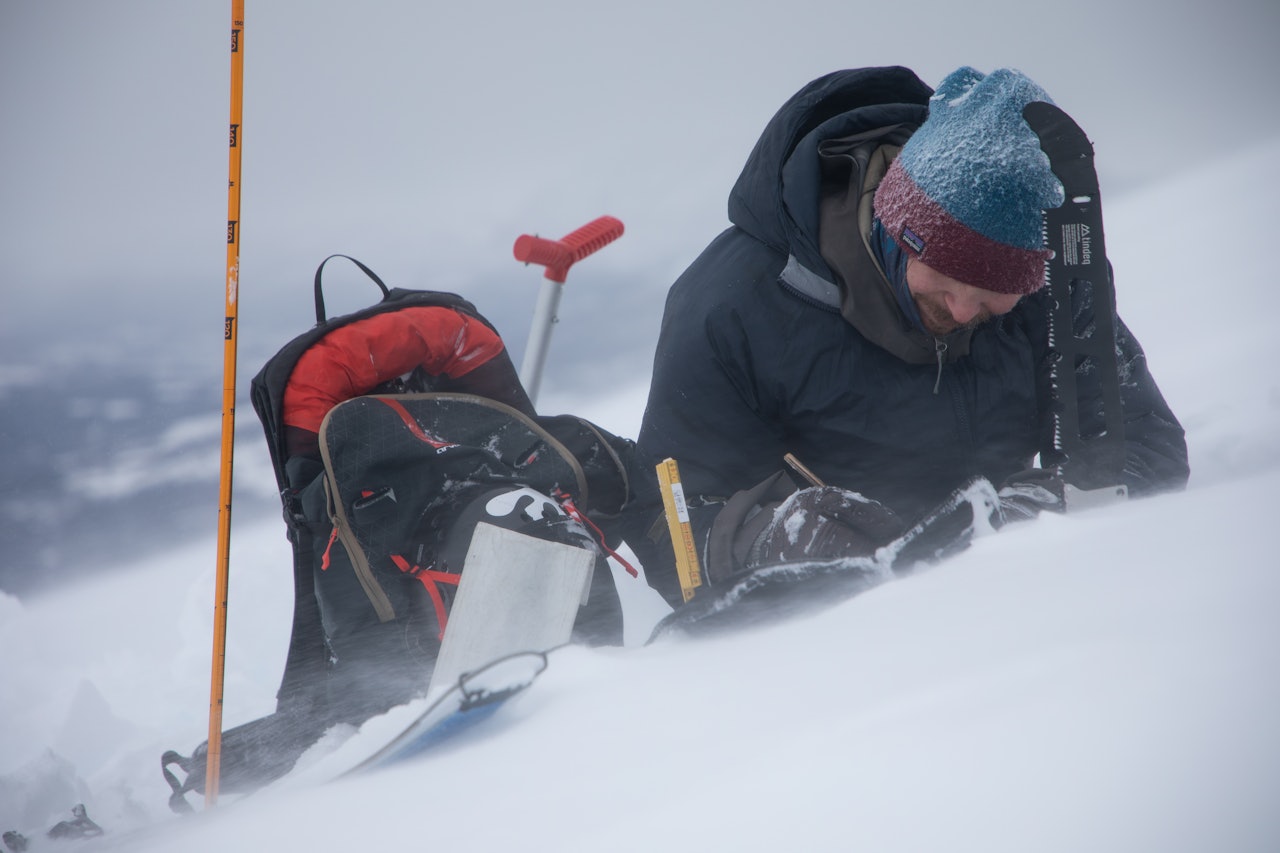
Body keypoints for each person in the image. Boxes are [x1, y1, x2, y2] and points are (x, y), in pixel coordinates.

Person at [630, 66, 1189, 602]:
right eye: (947, 282)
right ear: (898, 230)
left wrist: (1036, 508)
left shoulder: (1055, 276)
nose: (966, 311)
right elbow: (672, 524)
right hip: (840, 637)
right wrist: (779, 542)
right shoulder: (731, 307)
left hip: (1027, 598)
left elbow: (1143, 446)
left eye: (996, 294)